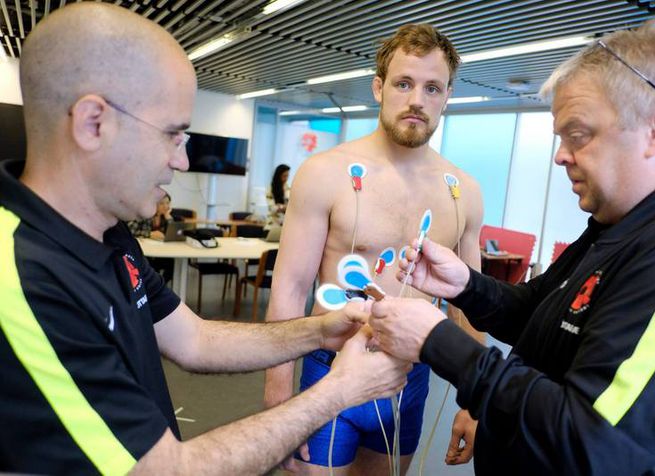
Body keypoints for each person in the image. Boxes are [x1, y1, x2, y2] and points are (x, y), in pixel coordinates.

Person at [0, 4, 411, 474]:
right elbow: (165, 470)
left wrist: (319, 330)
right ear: (94, 123)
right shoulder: (21, 279)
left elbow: (194, 339)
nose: (182, 161)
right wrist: (340, 390)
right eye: (173, 135)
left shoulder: (105, 231)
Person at [369, 20, 655, 475]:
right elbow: (540, 314)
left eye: (579, 135)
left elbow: (591, 443)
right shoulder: (623, 222)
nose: (560, 155)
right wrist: (466, 286)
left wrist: (439, 342)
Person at [265, 24, 484, 474]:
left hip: (409, 378)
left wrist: (476, 401)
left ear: (447, 96)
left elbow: (470, 307)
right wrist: (277, 403)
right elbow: (290, 287)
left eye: (432, 88)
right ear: (379, 88)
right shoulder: (324, 173)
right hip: (331, 368)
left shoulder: (463, 191)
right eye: (403, 83)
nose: (416, 100)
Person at [127, 193, 176, 281]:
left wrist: (169, 219)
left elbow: (173, 235)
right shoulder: (145, 214)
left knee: (171, 263)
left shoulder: (167, 217)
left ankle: (160, 286)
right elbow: (130, 230)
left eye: (168, 203)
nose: (165, 206)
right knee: (151, 266)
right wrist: (149, 233)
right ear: (154, 204)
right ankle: (153, 285)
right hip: (147, 252)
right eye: (162, 203)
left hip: (163, 251)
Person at [265, 163, 291, 230]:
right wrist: (284, 207)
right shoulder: (270, 188)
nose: (286, 179)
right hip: (272, 225)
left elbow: (290, 206)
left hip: (284, 225)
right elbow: (272, 208)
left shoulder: (288, 188)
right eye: (284, 176)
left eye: (287, 176)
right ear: (278, 175)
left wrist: (281, 206)